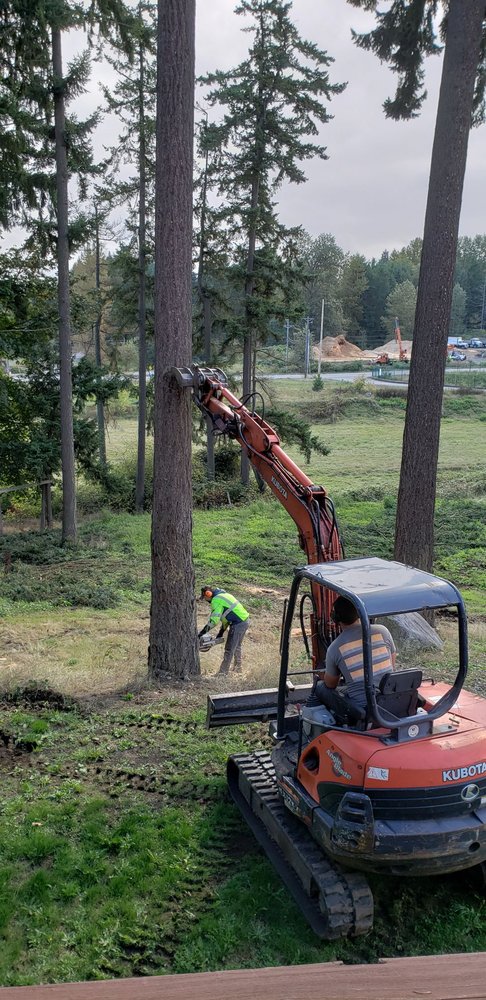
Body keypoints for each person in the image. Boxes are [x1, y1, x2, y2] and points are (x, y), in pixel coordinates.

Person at [315, 596, 396, 723]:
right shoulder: (383, 631)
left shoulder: (335, 648)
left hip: (364, 709)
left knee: (320, 687)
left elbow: (330, 684)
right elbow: (392, 666)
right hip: (391, 699)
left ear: (335, 618)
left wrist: (323, 676)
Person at [198, 586, 250, 674]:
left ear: (208, 594)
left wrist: (202, 633)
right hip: (245, 620)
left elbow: (214, 621)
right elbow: (225, 617)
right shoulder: (224, 595)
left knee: (229, 648)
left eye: (205, 598)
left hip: (238, 623)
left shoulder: (216, 600)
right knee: (236, 646)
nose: (206, 600)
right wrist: (220, 633)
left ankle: (223, 672)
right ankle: (238, 669)